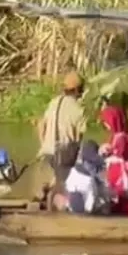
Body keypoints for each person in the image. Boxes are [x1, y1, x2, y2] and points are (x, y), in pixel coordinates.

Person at [37, 72, 87, 202]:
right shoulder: (78, 109)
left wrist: (43, 145)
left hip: (48, 153)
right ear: (77, 90)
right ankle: (55, 190)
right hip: (64, 155)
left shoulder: (53, 102)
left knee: (57, 174)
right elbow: (79, 137)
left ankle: (50, 187)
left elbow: (41, 124)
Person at [64, 140, 113, 215]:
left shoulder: (102, 164)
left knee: (88, 209)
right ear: (102, 145)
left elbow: (100, 178)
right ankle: (69, 202)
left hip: (89, 182)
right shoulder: (91, 145)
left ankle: (70, 205)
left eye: (109, 153)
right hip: (77, 177)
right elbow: (90, 156)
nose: (106, 153)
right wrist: (106, 160)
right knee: (77, 205)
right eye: (106, 149)